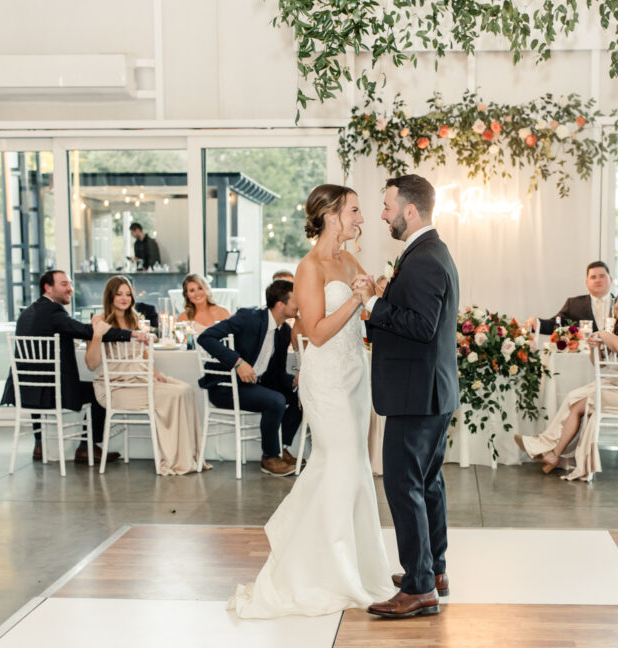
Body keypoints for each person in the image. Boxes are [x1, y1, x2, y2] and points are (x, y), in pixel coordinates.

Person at [227, 184, 392, 618]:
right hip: (328, 380)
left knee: (353, 467)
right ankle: (327, 570)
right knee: (338, 464)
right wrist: (356, 297)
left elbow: (370, 308)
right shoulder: (308, 267)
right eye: (354, 210)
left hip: (355, 374)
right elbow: (315, 333)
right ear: (332, 215)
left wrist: (377, 290)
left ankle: (356, 566)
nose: (360, 218)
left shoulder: (348, 260)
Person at [356, 174, 460, 619]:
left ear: (410, 210)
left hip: (414, 394)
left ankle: (419, 588)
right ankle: (433, 570)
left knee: (404, 487)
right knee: (427, 483)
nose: (383, 214)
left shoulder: (424, 259)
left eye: (387, 206)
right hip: (428, 391)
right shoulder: (428, 252)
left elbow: (421, 326)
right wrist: (385, 298)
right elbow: (420, 316)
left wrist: (373, 305)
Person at [514, 287, 618, 482]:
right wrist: (594, 348)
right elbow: (601, 364)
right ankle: (549, 448)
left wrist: (602, 334)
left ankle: (553, 453)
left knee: (577, 406)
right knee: (573, 397)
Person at [0, 270, 147, 464]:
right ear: (48, 287)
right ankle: (87, 447)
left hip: (26, 390)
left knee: (42, 380)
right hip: (51, 392)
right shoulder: (54, 312)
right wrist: (131, 334)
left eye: (70, 284)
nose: (70, 289)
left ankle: (40, 444)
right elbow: (87, 330)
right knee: (98, 390)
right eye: (64, 284)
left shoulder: (27, 313)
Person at [85, 276, 206, 475]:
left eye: (128, 294)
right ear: (110, 296)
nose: (124, 298)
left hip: (140, 379)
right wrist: (97, 335)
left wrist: (156, 374)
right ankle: (173, 459)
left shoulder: (134, 319)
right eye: (119, 294)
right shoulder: (99, 321)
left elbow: (144, 354)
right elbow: (91, 364)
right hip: (115, 388)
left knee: (186, 389)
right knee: (175, 394)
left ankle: (190, 455)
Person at [197, 279, 303, 477]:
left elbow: (277, 374)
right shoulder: (249, 317)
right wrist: (237, 363)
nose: (301, 304)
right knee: (276, 401)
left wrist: (296, 381)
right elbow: (205, 337)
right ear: (281, 304)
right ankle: (269, 458)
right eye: (296, 300)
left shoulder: (284, 332)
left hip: (253, 385)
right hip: (225, 387)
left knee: (302, 394)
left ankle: (281, 448)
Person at [526, 261, 615, 334]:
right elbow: (555, 324)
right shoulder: (573, 304)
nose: (598, 280)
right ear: (587, 282)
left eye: (602, 276)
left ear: (611, 279)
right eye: (593, 277)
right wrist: (537, 322)